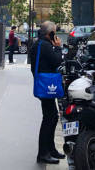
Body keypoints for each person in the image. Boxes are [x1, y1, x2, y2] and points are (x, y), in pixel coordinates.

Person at [30, 21, 64, 165]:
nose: (55, 35)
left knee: (52, 117)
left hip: (44, 84)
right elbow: (57, 61)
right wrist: (58, 48)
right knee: (49, 119)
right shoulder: (45, 45)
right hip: (46, 85)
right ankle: (43, 154)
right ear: (49, 33)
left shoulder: (39, 44)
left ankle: (51, 149)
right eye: (54, 33)